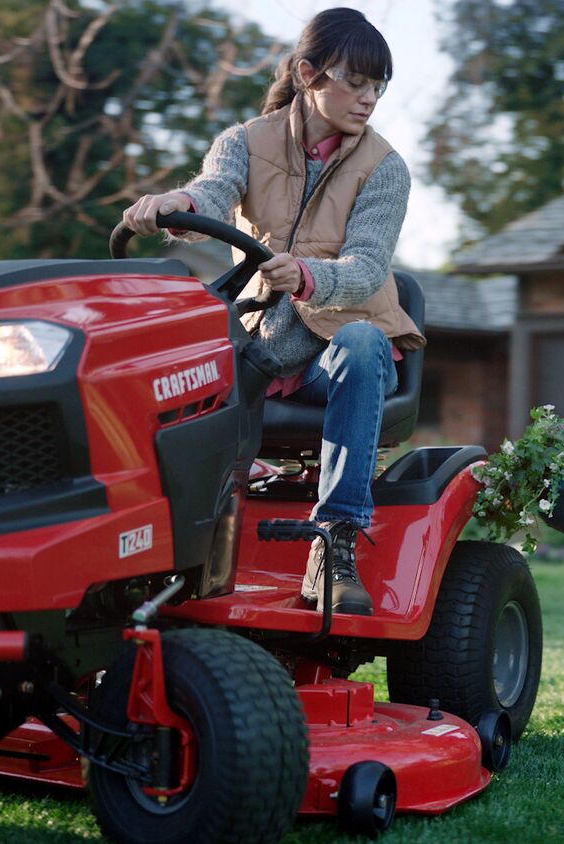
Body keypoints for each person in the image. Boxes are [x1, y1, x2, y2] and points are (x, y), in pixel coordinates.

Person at [121, 7, 422, 616]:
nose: (369, 100)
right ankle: (167, 536)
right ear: (310, 74)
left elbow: (366, 267)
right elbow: (212, 191)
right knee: (168, 360)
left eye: (378, 87)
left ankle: (334, 542)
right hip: (265, 341)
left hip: (339, 352)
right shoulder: (244, 143)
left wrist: (309, 275)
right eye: (356, 82)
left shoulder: (386, 170)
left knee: (363, 344)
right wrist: (176, 201)